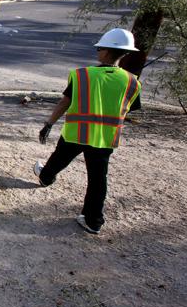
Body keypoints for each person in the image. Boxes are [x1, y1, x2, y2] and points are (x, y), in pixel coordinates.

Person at [34, 28, 141, 235]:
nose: (97, 51)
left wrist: (49, 123)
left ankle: (46, 178)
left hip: (77, 132)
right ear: (125, 53)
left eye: (99, 48)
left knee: (60, 158)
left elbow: (66, 101)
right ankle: (93, 221)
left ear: (106, 51)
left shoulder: (82, 75)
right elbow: (129, 107)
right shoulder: (132, 82)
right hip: (104, 138)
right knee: (98, 179)